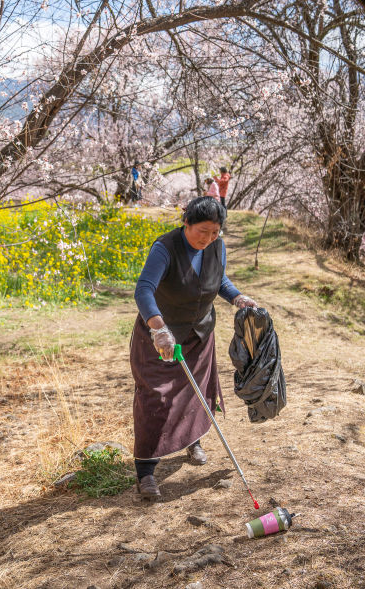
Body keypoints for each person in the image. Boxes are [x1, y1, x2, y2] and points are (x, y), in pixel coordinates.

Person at [130, 196, 258, 499]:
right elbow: (144, 288)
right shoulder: (165, 248)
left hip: (199, 334)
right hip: (161, 337)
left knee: (194, 392)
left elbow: (218, 279)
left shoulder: (217, 246)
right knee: (156, 398)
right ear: (186, 222)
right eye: (203, 230)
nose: (209, 238)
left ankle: (192, 440)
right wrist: (158, 328)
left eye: (216, 232)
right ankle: (145, 471)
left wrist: (237, 297)